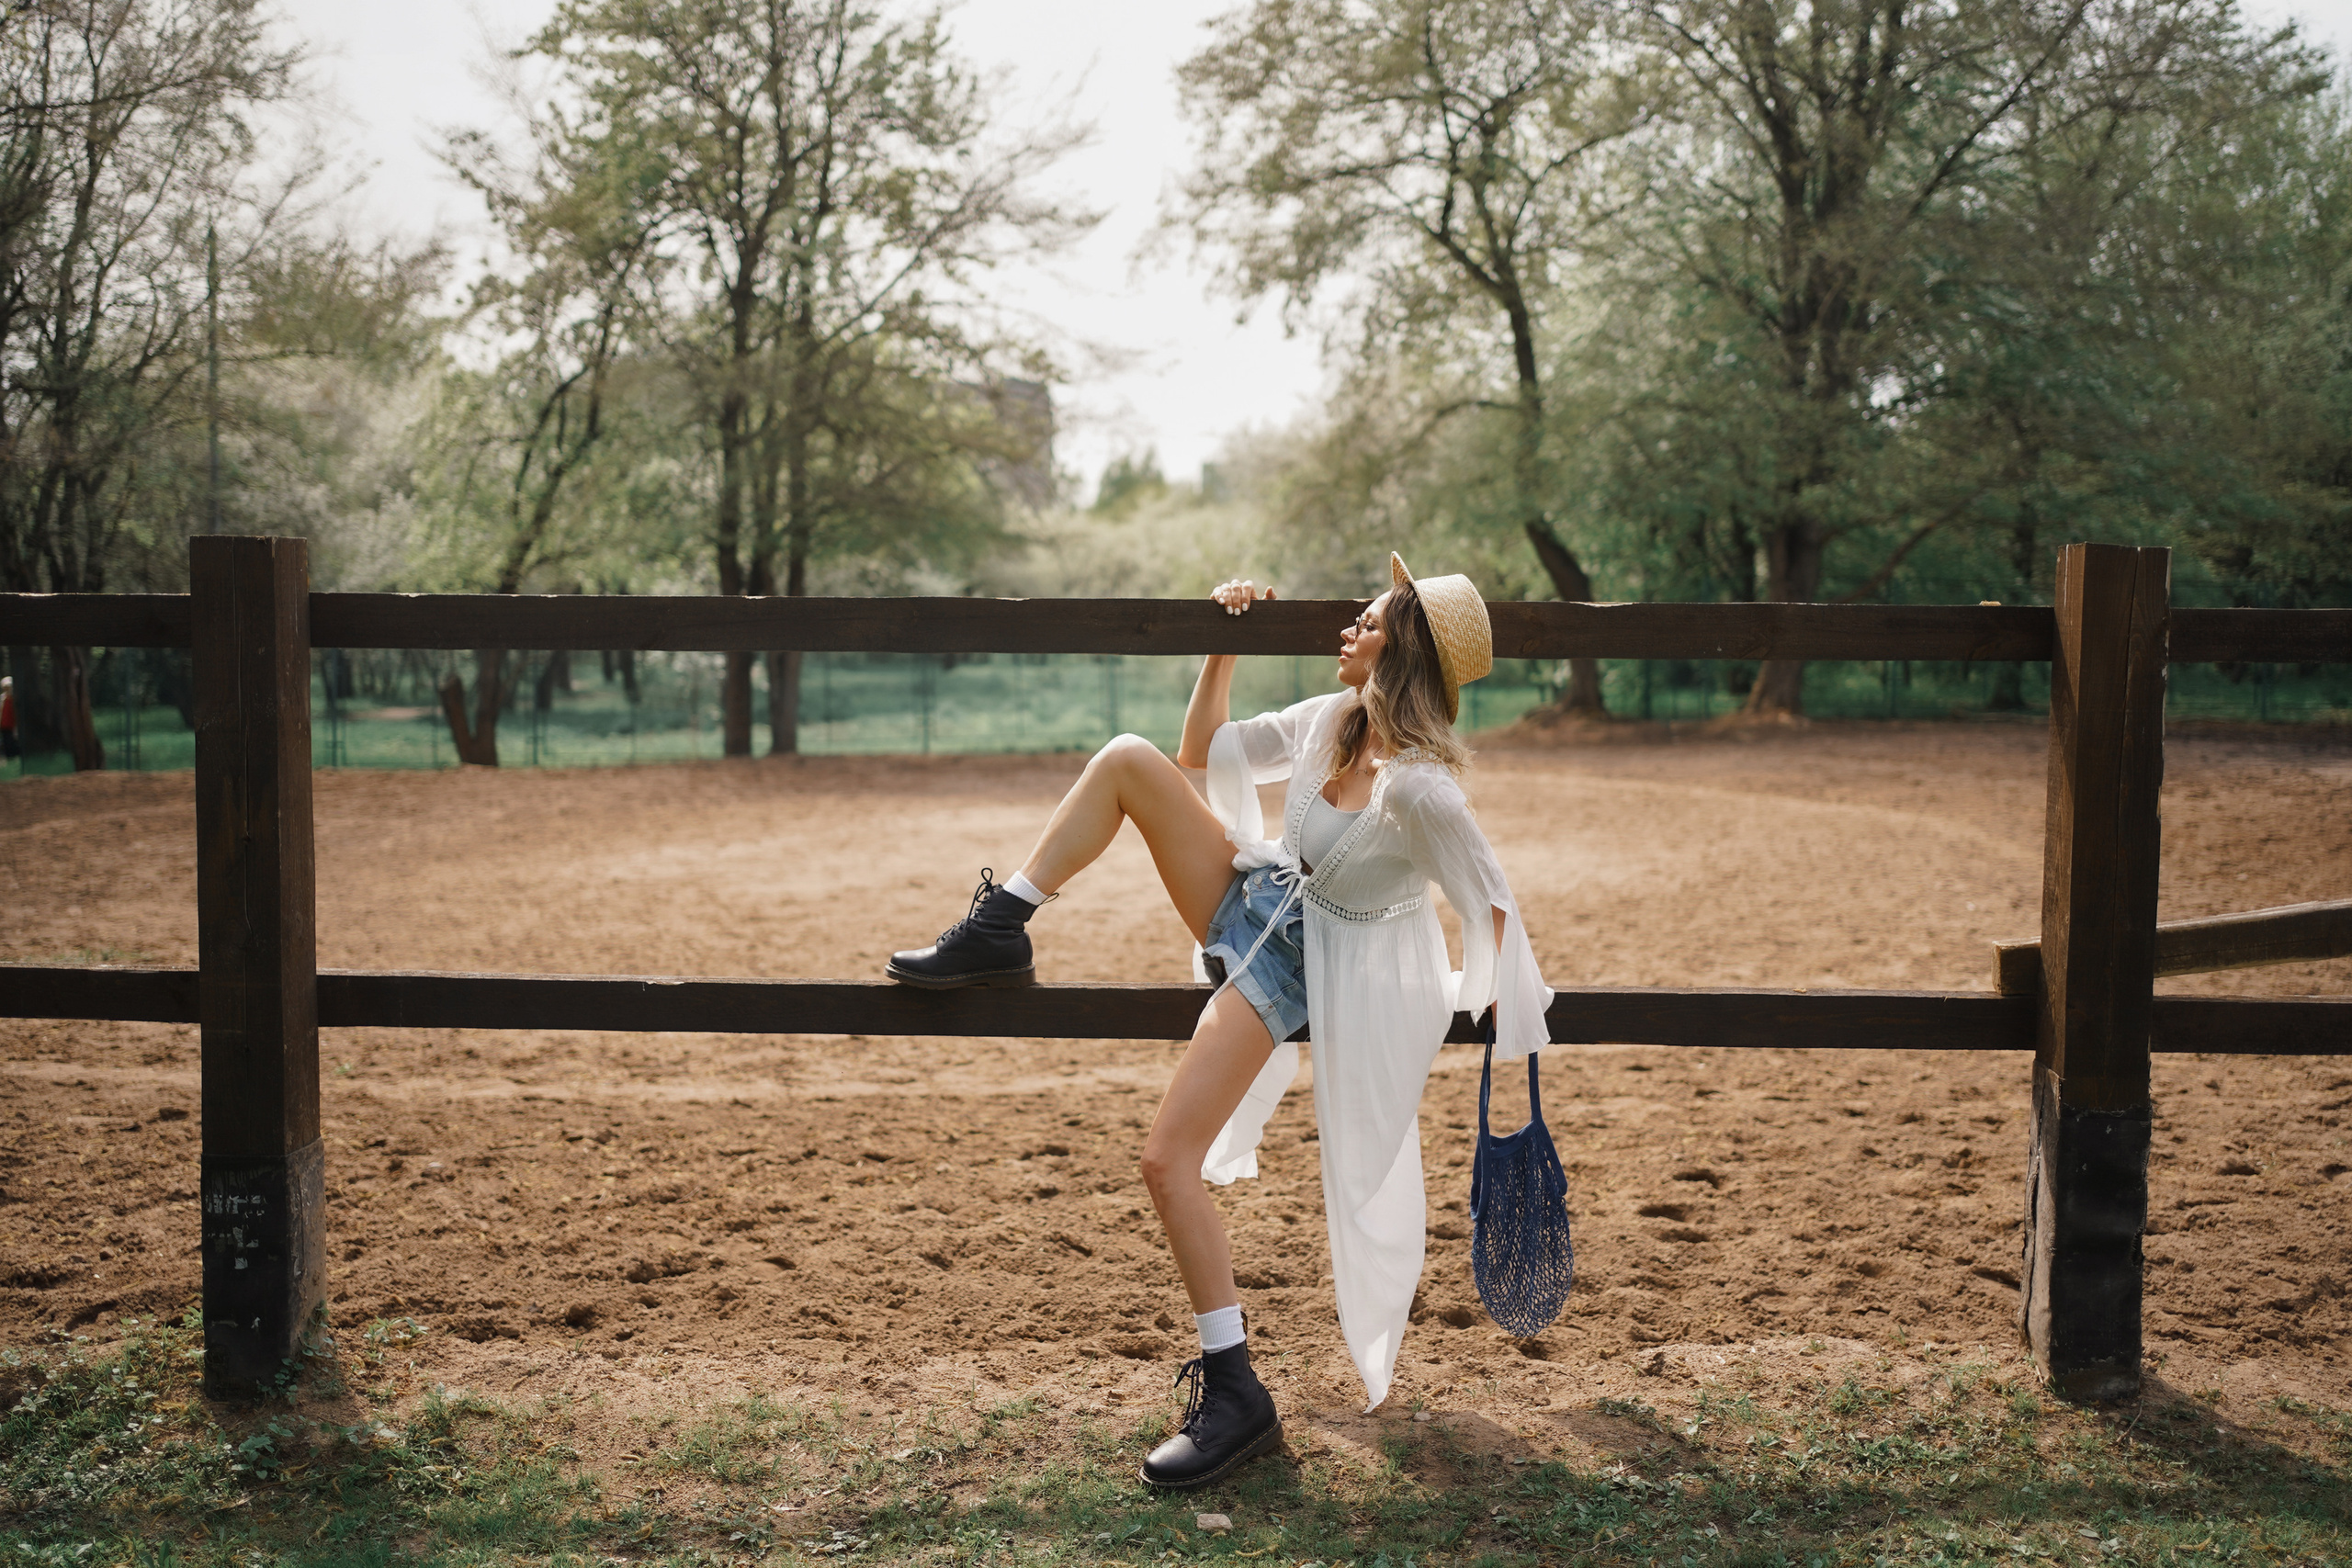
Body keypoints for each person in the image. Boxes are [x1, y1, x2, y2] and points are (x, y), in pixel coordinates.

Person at [888, 554, 1552, 1490]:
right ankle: (1001, 926)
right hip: (1254, 894)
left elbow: (1493, 900)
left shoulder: (1420, 790)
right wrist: (1221, 641)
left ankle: (1235, 1390)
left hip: (1293, 966)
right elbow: (1200, 751)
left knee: (1167, 1161)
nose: (1346, 630)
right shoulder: (1335, 718)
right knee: (1130, 757)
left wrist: (1485, 996)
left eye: (1366, 623)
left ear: (1403, 649)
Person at [0, 674, 18, 768]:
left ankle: (15, 758)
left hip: (12, 725)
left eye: (8, 687)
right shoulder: (2, 698)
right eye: (5, 687)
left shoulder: (15, 699)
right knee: (6, 742)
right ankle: (8, 758)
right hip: (4, 725)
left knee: (13, 742)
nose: (7, 689)